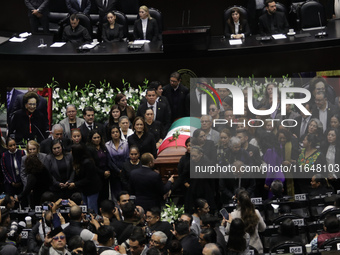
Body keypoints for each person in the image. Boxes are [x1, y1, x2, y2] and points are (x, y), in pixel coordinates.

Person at [68, 144, 101, 213]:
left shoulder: (87, 163)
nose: (70, 152)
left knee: (91, 209)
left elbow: (89, 179)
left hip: (92, 189)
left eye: (72, 151)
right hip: (85, 189)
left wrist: (75, 184)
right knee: (85, 208)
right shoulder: (79, 161)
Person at [87, 129, 111, 202]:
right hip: (96, 176)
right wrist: (102, 172)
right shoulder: (89, 149)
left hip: (106, 175)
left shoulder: (103, 147)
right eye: (95, 138)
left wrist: (108, 171)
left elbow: (108, 160)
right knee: (98, 198)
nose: (97, 139)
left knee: (105, 196)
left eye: (98, 137)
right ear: (91, 139)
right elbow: (91, 165)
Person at [106, 126, 129, 199]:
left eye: (117, 132)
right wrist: (117, 170)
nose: (115, 134)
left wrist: (123, 169)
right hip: (113, 172)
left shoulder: (125, 143)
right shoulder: (107, 145)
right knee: (115, 192)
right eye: (113, 132)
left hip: (124, 170)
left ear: (119, 133)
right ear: (110, 134)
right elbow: (109, 160)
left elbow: (127, 157)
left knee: (125, 190)